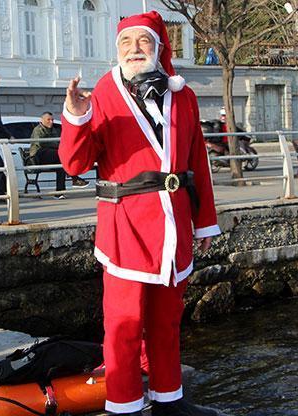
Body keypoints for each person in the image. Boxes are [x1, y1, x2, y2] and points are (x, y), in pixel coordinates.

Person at [58, 11, 221, 416]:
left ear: (159, 47)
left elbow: (196, 161)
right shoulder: (103, 95)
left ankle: (170, 401)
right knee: (124, 328)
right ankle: (124, 407)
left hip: (173, 226)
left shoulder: (184, 96)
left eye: (143, 42)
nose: (134, 49)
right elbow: (74, 165)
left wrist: (204, 222)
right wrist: (76, 116)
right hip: (125, 228)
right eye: (126, 42)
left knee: (167, 322)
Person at [29, 111, 88, 198]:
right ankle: (74, 178)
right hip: (39, 155)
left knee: (61, 166)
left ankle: (59, 193)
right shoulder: (38, 130)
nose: (51, 122)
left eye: (52, 119)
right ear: (42, 120)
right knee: (60, 155)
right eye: (48, 120)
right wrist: (58, 146)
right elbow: (40, 143)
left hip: (54, 156)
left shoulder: (55, 130)